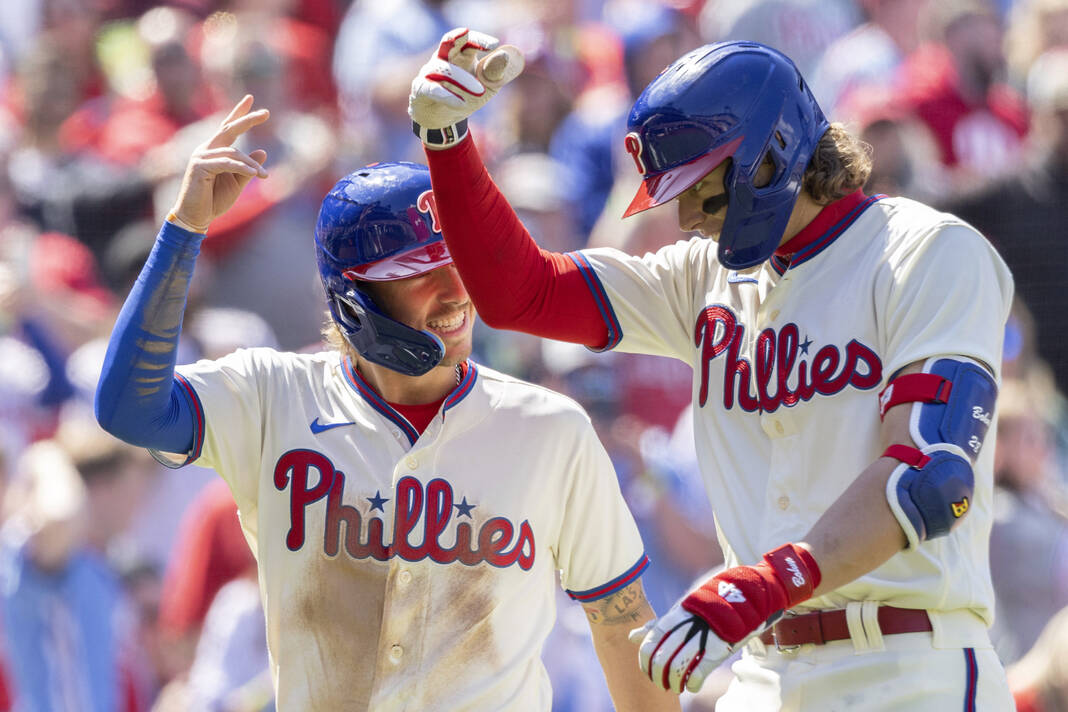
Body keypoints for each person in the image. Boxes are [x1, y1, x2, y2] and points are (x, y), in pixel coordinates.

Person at [408, 31, 1016, 709]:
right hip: (762, 672)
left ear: (771, 151)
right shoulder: (705, 282)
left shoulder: (927, 251)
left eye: (703, 190)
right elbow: (522, 294)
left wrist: (767, 582)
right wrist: (448, 141)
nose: (689, 219)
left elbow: (933, 476)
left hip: (909, 664)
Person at [94, 95, 678, 712]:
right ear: (353, 302)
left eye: (459, 263)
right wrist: (184, 231)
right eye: (419, 273)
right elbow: (129, 409)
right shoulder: (271, 396)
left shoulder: (551, 427)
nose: (457, 294)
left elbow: (620, 622)